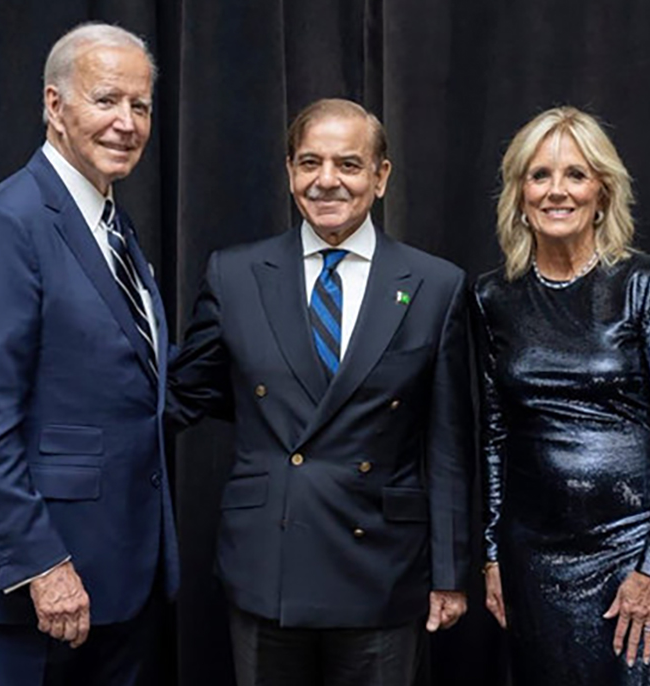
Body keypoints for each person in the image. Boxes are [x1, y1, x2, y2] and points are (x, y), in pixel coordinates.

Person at [167, 98, 473, 686]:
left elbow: (448, 441)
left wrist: (449, 571)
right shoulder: (235, 274)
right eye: (310, 162)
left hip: (382, 565)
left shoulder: (436, 285)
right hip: (267, 562)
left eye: (349, 165)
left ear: (381, 177)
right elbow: (191, 394)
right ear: (289, 172)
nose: (327, 181)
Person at [0, 23, 176, 686]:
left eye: (141, 105)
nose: (126, 123)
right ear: (54, 104)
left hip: (119, 576)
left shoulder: (110, 225)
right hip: (41, 587)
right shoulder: (6, 223)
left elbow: (133, 373)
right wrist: (42, 565)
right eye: (106, 101)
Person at [474, 106, 650, 685]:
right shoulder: (492, 297)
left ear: (602, 191)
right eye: (539, 175)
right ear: (520, 193)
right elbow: (496, 434)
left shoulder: (644, 282)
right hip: (531, 556)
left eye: (575, 174)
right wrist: (494, 552)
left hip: (630, 548)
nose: (557, 191)